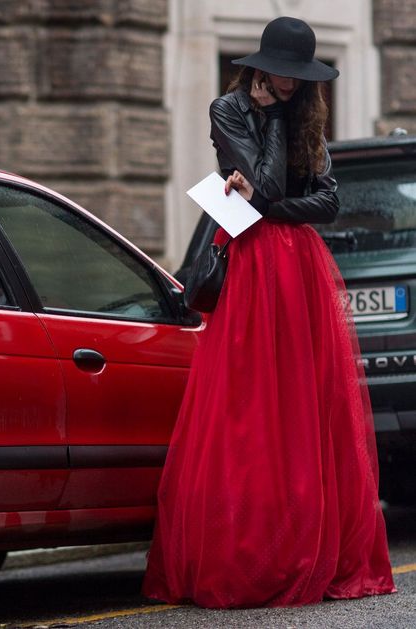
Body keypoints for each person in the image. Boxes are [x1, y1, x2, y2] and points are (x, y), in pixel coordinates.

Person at [142, 16, 396, 608]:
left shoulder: (305, 111)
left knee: (307, 402)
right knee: (251, 404)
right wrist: (275, 129)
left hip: (299, 269)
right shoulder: (227, 111)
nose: (289, 85)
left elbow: (324, 202)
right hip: (253, 268)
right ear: (260, 68)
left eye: (298, 77)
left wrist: (276, 192)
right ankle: (253, 551)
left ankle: (310, 544)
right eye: (282, 75)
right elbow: (261, 182)